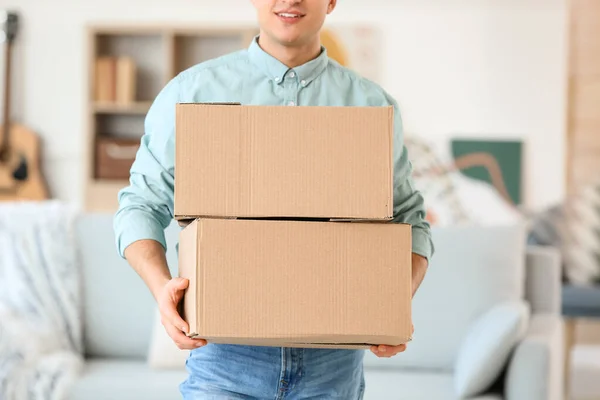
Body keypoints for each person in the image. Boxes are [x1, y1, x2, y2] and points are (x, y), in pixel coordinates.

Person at [113, 0, 434, 398]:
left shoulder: (371, 106)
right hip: (225, 360)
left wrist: (392, 300)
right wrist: (162, 287)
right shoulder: (191, 93)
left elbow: (411, 219)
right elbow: (140, 205)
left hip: (332, 367)